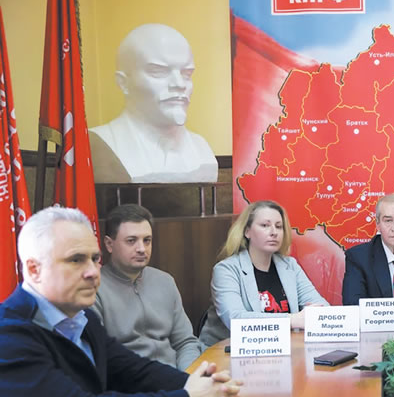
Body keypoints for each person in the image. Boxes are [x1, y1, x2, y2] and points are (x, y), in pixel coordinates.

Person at [0, 207, 240, 397]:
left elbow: (134, 371)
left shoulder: (83, 319)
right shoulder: (8, 335)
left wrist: (204, 385)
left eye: (94, 258)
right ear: (34, 269)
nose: (92, 272)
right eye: (76, 260)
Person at [89, 23, 218, 183]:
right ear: (123, 82)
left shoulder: (201, 148)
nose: (179, 84)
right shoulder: (100, 142)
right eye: (159, 71)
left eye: (186, 74)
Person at [199, 200, 329, 346]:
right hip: (228, 351)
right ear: (247, 231)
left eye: (279, 227)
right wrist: (292, 320)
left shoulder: (290, 266)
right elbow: (236, 320)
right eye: (265, 225)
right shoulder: (226, 270)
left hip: (282, 349)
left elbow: (321, 308)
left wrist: (314, 315)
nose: (274, 232)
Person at [92, 204, 202, 370]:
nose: (142, 249)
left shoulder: (165, 281)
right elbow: (100, 355)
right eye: (131, 241)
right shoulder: (94, 289)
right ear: (109, 244)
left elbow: (185, 342)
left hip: (176, 377)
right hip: (128, 381)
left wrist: (189, 376)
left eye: (147, 240)